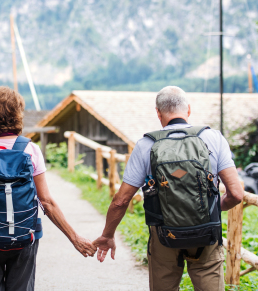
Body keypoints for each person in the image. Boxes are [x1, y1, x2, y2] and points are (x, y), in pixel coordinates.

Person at [93, 86, 244, 291]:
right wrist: (214, 208)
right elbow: (235, 194)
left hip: (163, 234)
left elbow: (121, 200)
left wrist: (108, 235)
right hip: (206, 231)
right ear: (188, 110)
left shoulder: (146, 145)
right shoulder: (213, 138)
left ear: (158, 112)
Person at [0, 86, 96, 290]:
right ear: (17, 114)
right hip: (25, 236)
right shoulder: (30, 149)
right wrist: (75, 238)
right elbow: (46, 202)